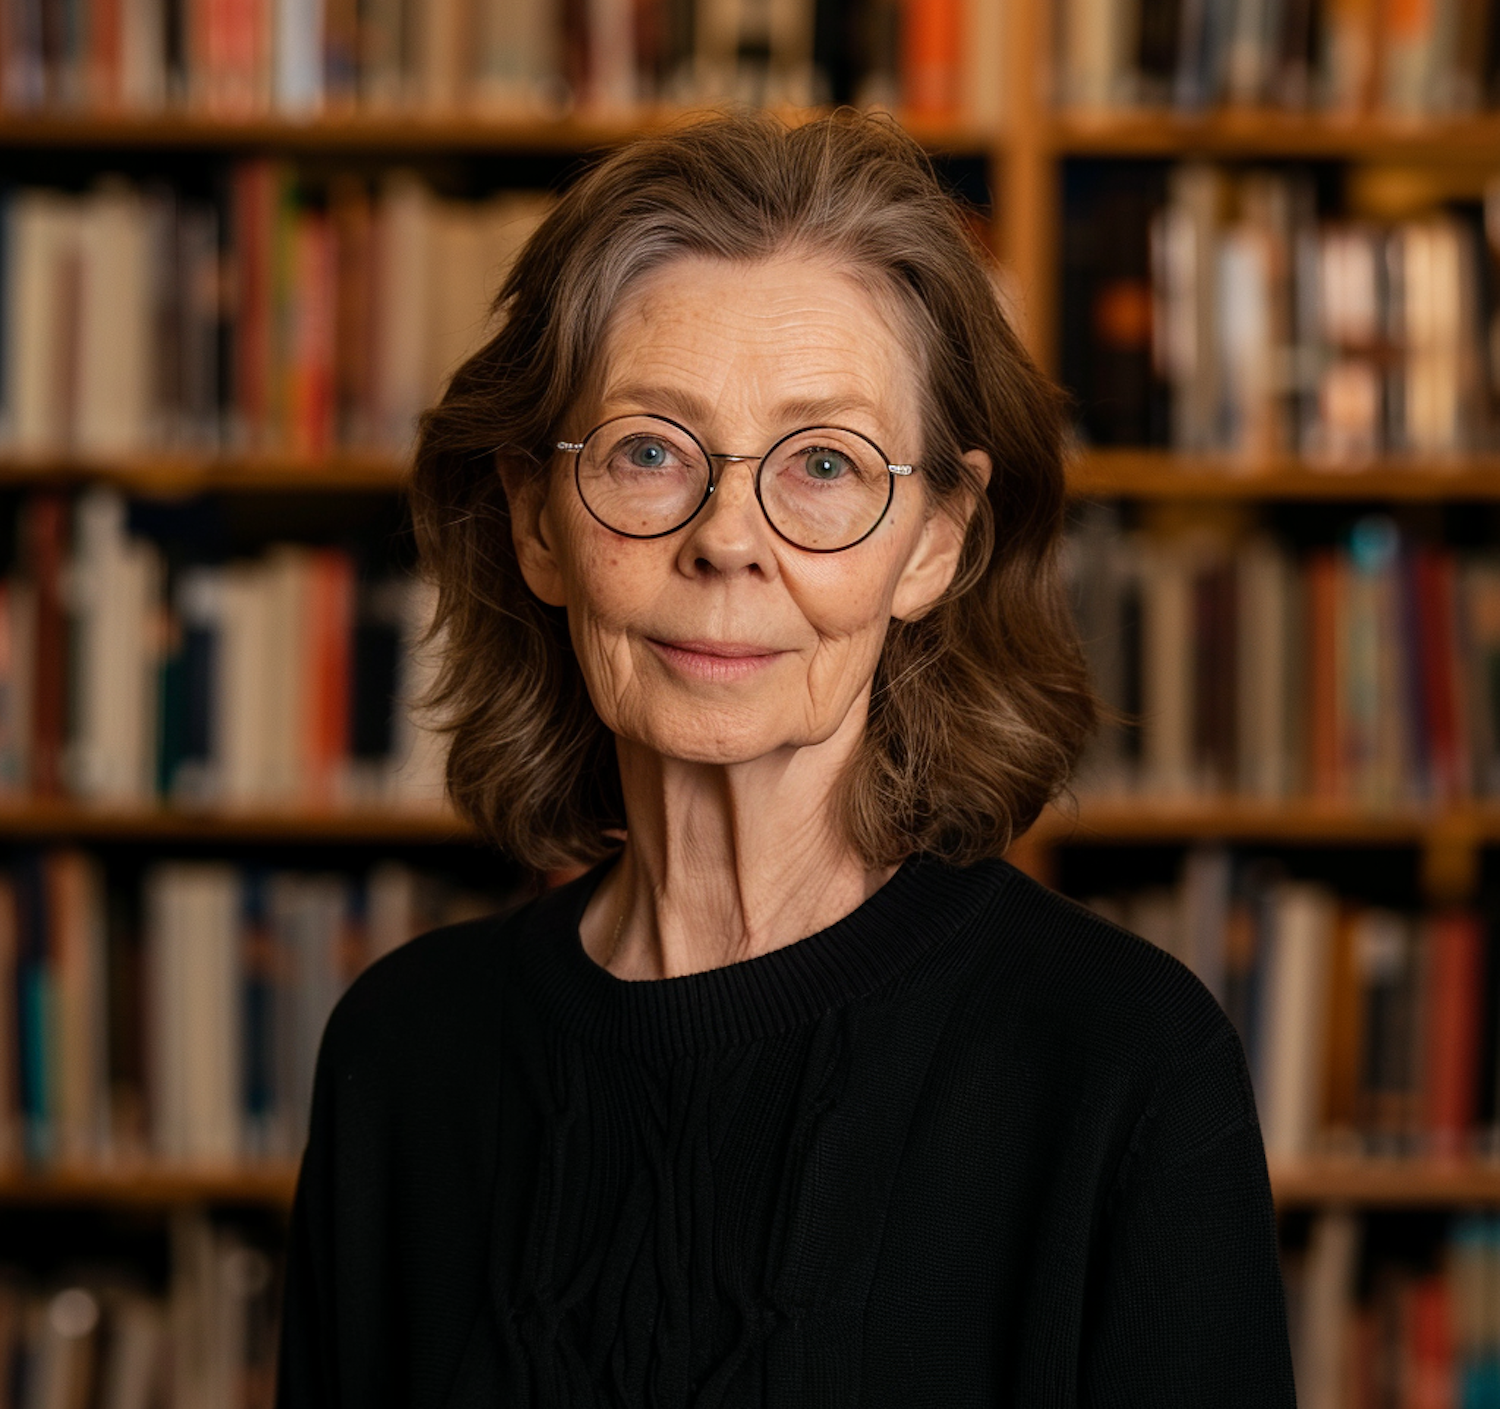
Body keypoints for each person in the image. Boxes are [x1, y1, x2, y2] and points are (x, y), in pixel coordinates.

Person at [276, 111, 1295, 1408]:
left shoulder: (1122, 1067)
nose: (727, 542)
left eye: (824, 464)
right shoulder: (402, 1056)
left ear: (935, 538)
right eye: (651, 451)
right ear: (537, 520)